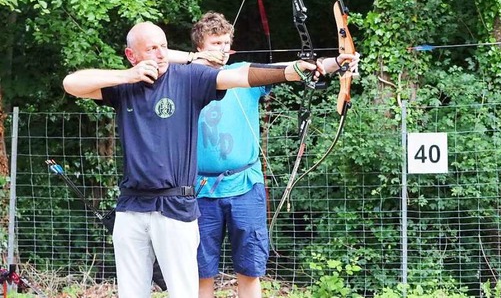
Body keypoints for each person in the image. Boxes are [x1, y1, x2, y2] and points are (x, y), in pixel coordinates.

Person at [62, 21, 319, 298]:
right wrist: (128, 75)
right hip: (131, 205)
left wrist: (291, 71)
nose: (160, 53)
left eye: (163, 46)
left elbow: (239, 76)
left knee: (184, 291)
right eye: (151, 48)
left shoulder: (188, 78)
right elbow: (71, 84)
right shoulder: (123, 87)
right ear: (131, 55)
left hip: (175, 206)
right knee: (131, 291)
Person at [168, 12, 359, 298]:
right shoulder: (182, 77)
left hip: (245, 187)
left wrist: (336, 63)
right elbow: (152, 57)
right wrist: (192, 60)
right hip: (200, 191)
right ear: (199, 46)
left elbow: (297, 68)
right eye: (215, 43)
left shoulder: (244, 73)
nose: (222, 48)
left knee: (250, 269)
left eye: (225, 42)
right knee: (199, 272)